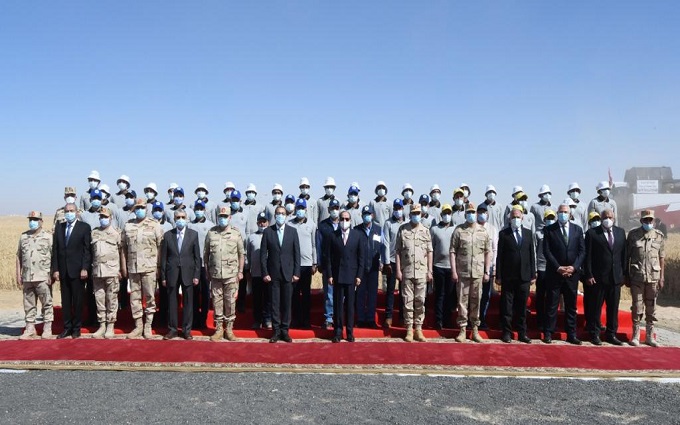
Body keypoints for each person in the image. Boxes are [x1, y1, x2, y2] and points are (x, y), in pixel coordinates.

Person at [543, 201, 586, 345]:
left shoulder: (577, 230)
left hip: (572, 274)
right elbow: (547, 251)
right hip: (555, 273)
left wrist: (574, 267)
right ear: (557, 214)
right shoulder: (549, 230)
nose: (563, 214)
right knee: (552, 304)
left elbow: (582, 251)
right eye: (560, 212)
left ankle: (571, 334)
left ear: (570, 214)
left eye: (565, 212)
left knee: (571, 306)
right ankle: (549, 332)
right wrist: (558, 267)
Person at [122, 198, 163, 339]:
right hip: (133, 268)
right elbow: (123, 248)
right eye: (137, 208)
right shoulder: (128, 226)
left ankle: (148, 326)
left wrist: (159, 267)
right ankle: (138, 326)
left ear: (146, 209)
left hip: (149, 268)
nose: (140, 210)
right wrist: (124, 266)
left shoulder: (155, 225)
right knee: (135, 298)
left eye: (142, 208)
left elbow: (160, 247)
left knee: (150, 297)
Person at [450, 202, 491, 343]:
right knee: (462, 302)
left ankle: (475, 329)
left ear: (477, 214)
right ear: (465, 214)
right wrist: (454, 271)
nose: (471, 214)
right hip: (463, 272)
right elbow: (452, 251)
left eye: (473, 212)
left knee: (476, 301)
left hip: (478, 273)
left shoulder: (483, 231)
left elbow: (488, 252)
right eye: (469, 212)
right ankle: (462, 329)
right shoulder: (459, 230)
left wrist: (487, 271)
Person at [584, 209, 626, 346]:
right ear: (601, 219)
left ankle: (611, 334)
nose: (608, 219)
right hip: (598, 278)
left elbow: (623, 255)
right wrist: (588, 274)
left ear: (614, 218)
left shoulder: (620, 232)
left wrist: (623, 274)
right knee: (596, 307)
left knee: (613, 308)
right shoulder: (592, 233)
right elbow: (588, 256)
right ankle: (594, 333)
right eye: (605, 217)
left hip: (615, 278)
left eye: (610, 217)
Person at [260, 205, 301, 343]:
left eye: (283, 213)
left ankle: (285, 330)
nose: (280, 215)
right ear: (275, 215)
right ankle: (276, 331)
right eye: (278, 213)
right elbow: (263, 254)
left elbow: (297, 253)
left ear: (286, 215)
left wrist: (296, 272)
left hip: (288, 273)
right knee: (275, 304)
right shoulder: (268, 232)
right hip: (273, 274)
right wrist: (265, 272)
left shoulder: (292, 231)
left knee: (287, 304)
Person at [625, 209, 665, 347]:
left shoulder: (659, 236)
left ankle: (649, 336)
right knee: (637, 306)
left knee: (651, 307)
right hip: (637, 277)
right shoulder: (633, 235)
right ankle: (635, 335)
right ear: (641, 220)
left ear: (653, 220)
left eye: (650, 220)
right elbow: (627, 257)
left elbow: (662, 257)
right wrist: (626, 275)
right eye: (646, 220)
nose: (648, 222)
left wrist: (662, 277)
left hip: (653, 277)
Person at [496, 205, 535, 344]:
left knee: (522, 306)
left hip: (524, 276)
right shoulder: (504, 234)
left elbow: (531, 254)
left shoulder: (528, 233)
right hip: (508, 276)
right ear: (509, 219)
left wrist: (533, 274)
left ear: (522, 217)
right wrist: (498, 276)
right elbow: (499, 256)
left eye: (518, 217)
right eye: (513, 217)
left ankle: (522, 332)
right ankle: (507, 332)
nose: (516, 219)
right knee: (507, 306)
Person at [52, 203, 92, 339]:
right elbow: (55, 250)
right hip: (63, 270)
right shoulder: (59, 227)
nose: (69, 213)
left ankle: (76, 327)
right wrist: (55, 269)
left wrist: (85, 268)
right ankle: (67, 327)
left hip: (78, 270)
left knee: (78, 300)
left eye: (71, 210)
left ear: (76, 212)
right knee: (66, 301)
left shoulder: (84, 227)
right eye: (67, 211)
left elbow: (87, 250)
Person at [205, 207, 245, 341]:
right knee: (217, 302)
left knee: (230, 302)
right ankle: (218, 329)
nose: (222, 218)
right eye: (220, 216)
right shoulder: (211, 233)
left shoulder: (236, 234)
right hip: (215, 275)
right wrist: (207, 271)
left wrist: (240, 271)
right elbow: (206, 254)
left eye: (225, 216)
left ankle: (229, 329)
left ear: (230, 217)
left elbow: (241, 254)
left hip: (231, 275)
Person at [160, 210, 201, 340]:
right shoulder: (168, 235)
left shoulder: (193, 235)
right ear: (174, 219)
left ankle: (187, 330)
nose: (181, 219)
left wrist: (197, 275)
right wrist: (163, 276)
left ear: (187, 218)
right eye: (178, 217)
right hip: (172, 273)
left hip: (188, 273)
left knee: (188, 303)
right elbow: (163, 258)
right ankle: (172, 329)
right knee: (172, 303)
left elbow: (197, 257)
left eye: (183, 217)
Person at [395, 204, 433, 342]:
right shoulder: (403, 229)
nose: (416, 215)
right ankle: (409, 329)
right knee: (407, 301)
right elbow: (397, 251)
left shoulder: (425, 231)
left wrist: (430, 270)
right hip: (407, 271)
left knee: (420, 301)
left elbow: (430, 251)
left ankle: (418, 329)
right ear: (410, 215)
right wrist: (398, 270)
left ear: (421, 215)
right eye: (414, 213)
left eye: (418, 213)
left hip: (422, 272)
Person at [325, 210, 365, 342]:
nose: (344, 221)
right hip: (337, 275)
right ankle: (337, 332)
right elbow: (328, 257)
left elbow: (361, 257)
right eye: (342, 219)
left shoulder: (357, 235)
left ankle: (349, 332)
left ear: (350, 221)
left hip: (352, 276)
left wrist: (359, 275)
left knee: (350, 306)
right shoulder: (333, 235)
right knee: (338, 306)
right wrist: (329, 275)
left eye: (347, 219)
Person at [17, 211, 54, 340]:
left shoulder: (48, 237)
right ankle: (30, 329)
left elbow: (54, 257)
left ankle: (47, 328)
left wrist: (52, 274)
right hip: (27, 276)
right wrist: (18, 274)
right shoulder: (23, 237)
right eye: (31, 219)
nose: (32, 222)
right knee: (28, 304)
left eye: (35, 219)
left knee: (47, 303)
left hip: (43, 276)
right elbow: (18, 256)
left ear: (41, 221)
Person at [90, 207, 126, 339]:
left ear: (110, 218)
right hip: (97, 271)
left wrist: (122, 270)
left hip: (112, 271)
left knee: (111, 299)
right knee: (99, 299)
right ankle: (102, 325)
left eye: (105, 217)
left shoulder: (116, 233)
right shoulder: (94, 233)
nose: (103, 219)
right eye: (101, 217)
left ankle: (110, 325)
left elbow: (122, 252)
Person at [288, 198, 317, 329]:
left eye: (302, 208)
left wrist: (314, 262)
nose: (300, 210)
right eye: (298, 208)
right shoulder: (289, 223)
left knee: (306, 294)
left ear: (306, 209)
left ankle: (306, 320)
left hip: (307, 264)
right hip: (293, 264)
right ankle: (295, 319)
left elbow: (314, 245)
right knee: (294, 294)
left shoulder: (312, 224)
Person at [355, 205, 386, 329]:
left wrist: (383, 261)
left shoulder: (378, 229)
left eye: (369, 214)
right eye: (365, 214)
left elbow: (383, 247)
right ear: (362, 216)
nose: (367, 216)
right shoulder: (356, 230)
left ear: (372, 215)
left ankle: (371, 319)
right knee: (360, 294)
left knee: (372, 294)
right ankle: (360, 319)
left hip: (373, 267)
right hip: (360, 268)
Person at [429, 204, 456, 329]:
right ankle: (438, 320)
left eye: (449, 213)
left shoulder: (455, 229)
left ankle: (447, 320)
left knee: (450, 295)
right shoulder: (434, 229)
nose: (447, 215)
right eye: (445, 213)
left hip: (451, 267)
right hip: (438, 266)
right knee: (440, 294)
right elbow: (431, 248)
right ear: (441, 215)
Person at [189, 200, 214, 329]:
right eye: (197, 208)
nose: (199, 211)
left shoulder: (211, 226)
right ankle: (194, 319)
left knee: (205, 293)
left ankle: (203, 319)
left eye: (201, 208)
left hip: (205, 264)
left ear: (204, 210)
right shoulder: (189, 225)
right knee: (193, 293)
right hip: (192, 264)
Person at [316, 198, 341, 329]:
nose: (334, 210)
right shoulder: (323, 226)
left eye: (336, 208)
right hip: (328, 264)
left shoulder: (345, 223)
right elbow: (319, 245)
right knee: (329, 294)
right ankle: (329, 318)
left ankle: (339, 317)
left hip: (342, 264)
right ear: (328, 210)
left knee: (341, 293)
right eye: (332, 208)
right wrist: (319, 262)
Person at [381, 198, 405, 328]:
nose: (397, 210)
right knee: (390, 290)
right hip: (391, 261)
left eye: (399, 208)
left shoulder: (406, 223)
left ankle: (402, 317)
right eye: (395, 208)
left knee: (403, 291)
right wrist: (386, 262)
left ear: (402, 209)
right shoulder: (388, 223)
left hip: (404, 261)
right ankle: (388, 317)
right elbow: (385, 242)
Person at [247, 212, 272, 329]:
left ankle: (267, 319)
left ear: (268, 223)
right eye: (260, 222)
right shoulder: (251, 237)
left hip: (269, 273)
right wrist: (248, 269)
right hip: (256, 272)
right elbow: (248, 255)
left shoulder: (272, 235)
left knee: (268, 298)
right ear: (257, 223)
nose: (262, 224)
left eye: (264, 222)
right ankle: (257, 320)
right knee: (257, 298)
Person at [477, 203, 499, 330]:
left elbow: (494, 249)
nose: (482, 214)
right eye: (480, 212)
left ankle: (482, 318)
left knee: (485, 294)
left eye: (484, 212)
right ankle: (472, 319)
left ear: (488, 214)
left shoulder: (492, 229)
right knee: (474, 294)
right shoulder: (472, 227)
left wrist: (494, 266)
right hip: (475, 265)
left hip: (488, 266)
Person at [534, 209, 555, 330]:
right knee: (540, 296)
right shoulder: (538, 233)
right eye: (548, 218)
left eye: (552, 218)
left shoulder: (556, 233)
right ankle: (540, 321)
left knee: (551, 297)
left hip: (553, 268)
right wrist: (535, 268)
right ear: (544, 220)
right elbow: (534, 250)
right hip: (541, 267)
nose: (550, 220)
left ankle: (549, 322)